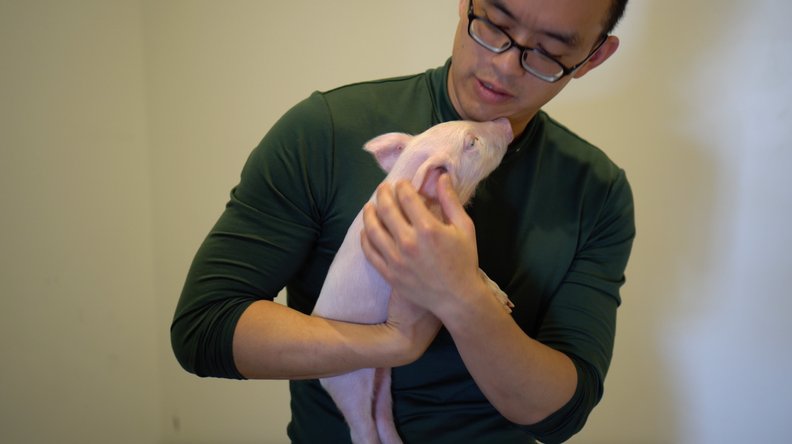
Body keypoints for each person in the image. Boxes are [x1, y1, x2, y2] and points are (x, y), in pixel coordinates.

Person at [171, 0, 635, 443]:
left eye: (549, 52)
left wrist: (463, 297)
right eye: (494, 24)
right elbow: (204, 328)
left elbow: (561, 415)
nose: (506, 65)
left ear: (594, 57)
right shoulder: (327, 131)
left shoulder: (597, 190)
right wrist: (393, 343)